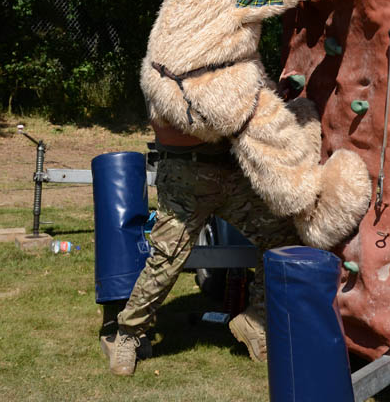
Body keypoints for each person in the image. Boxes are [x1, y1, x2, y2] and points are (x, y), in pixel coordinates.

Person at [101, 120, 298, 376]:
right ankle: (128, 334)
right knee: (166, 260)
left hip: (232, 173)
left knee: (281, 238)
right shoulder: (164, 79)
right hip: (185, 178)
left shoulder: (233, 78)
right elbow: (168, 128)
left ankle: (255, 321)